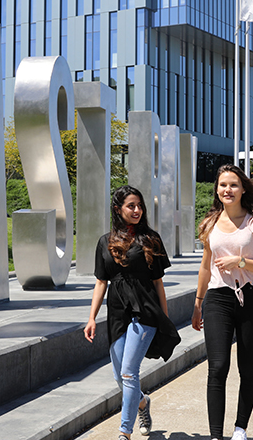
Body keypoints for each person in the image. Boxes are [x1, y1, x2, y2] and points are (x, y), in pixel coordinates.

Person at [85, 185, 180, 440]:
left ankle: (124, 433)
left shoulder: (151, 239)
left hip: (146, 310)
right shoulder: (104, 242)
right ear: (118, 209)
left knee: (129, 372)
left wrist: (165, 317)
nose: (137, 210)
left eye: (139, 206)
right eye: (131, 206)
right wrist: (92, 317)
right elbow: (101, 282)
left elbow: (158, 282)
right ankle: (142, 403)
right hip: (117, 312)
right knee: (120, 375)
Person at [191, 165, 253, 440]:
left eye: (233, 185)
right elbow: (205, 266)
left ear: (243, 189)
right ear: (216, 189)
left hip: (251, 298)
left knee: (247, 367)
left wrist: (240, 261)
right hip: (218, 297)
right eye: (222, 185)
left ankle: (240, 429)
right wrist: (197, 302)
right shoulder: (210, 223)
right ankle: (216, 435)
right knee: (217, 367)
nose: (227, 190)